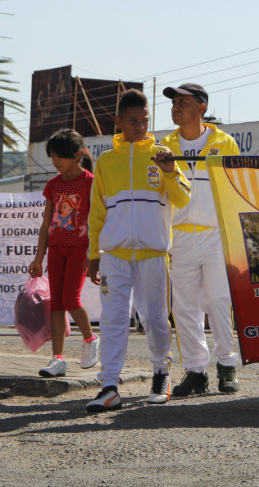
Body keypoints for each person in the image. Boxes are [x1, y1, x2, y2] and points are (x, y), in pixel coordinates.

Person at [84, 89, 191, 412]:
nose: (141, 127)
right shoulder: (106, 161)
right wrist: (93, 254)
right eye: (133, 121)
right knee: (114, 320)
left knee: (156, 319)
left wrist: (170, 171)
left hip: (153, 255)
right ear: (118, 122)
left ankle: (161, 373)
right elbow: (96, 212)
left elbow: (183, 197)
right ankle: (109, 385)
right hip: (114, 256)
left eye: (145, 121)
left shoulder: (162, 154)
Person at [160, 83, 241, 397]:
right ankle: (195, 371)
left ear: (202, 108)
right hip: (179, 237)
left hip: (215, 235)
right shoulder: (165, 145)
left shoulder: (224, 143)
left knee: (219, 301)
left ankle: (226, 366)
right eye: (174, 103)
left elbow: (236, 191)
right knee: (184, 309)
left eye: (183, 102)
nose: (176, 107)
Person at [29, 129, 99, 378]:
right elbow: (46, 225)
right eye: (53, 156)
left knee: (71, 299)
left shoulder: (91, 182)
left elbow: (98, 220)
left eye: (61, 156)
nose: (56, 161)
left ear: (78, 154)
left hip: (80, 249)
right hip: (56, 250)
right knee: (56, 305)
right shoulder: (53, 185)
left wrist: (95, 256)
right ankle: (57, 358)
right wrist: (38, 258)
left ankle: (90, 339)